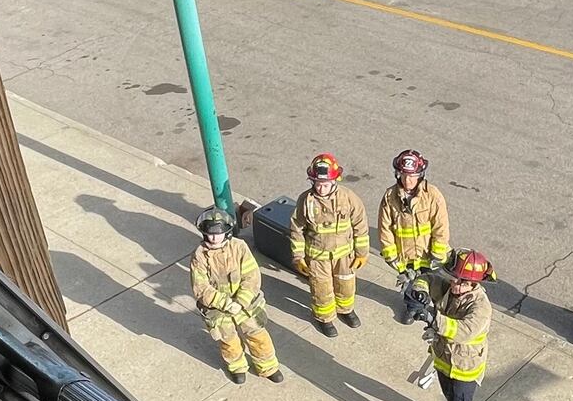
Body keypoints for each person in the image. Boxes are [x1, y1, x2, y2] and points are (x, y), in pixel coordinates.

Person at [188, 207, 284, 386]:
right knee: (228, 341)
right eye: (210, 234)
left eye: (219, 233)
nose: (215, 237)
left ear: (227, 232)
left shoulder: (239, 247)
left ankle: (268, 367)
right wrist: (225, 304)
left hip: (246, 305)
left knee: (258, 336)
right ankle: (237, 368)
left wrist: (241, 301)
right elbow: (201, 288)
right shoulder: (199, 256)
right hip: (219, 309)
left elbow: (252, 276)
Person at [427, 250, 493, 401]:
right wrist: (416, 288)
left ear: (473, 284)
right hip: (445, 361)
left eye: (461, 281)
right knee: (450, 399)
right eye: (453, 277)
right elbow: (429, 279)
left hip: (465, 369)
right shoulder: (451, 289)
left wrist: (431, 318)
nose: (454, 283)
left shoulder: (481, 309)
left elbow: (462, 331)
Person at [289, 153, 370, 337]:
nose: (321, 187)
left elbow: (360, 225)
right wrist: (298, 257)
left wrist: (362, 253)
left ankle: (346, 310)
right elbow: (296, 229)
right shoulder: (306, 201)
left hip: (344, 256)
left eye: (325, 184)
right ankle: (324, 319)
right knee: (321, 289)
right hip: (318, 258)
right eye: (317, 183)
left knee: (346, 285)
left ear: (334, 181)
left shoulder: (348, 198)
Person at [378, 149, 450, 320]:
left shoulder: (432, 195)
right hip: (405, 256)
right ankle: (413, 307)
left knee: (435, 284)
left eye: (412, 175)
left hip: (428, 254)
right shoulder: (390, 197)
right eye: (403, 175)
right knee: (410, 284)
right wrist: (392, 258)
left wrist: (437, 254)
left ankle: (437, 311)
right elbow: (385, 229)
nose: (407, 180)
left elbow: (441, 226)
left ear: (420, 175)